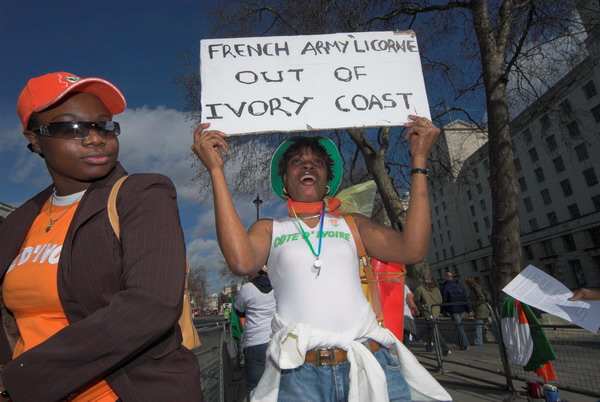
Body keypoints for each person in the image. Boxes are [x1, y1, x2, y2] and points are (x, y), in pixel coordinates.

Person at [192, 115, 451, 401]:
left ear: (327, 180)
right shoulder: (270, 228)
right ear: (285, 183)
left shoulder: (353, 224)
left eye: (317, 163)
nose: (307, 165)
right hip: (300, 376)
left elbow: (412, 250)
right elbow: (241, 262)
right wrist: (216, 170)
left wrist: (419, 160)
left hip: (368, 364)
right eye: (297, 162)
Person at [0, 72, 202, 401]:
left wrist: (16, 381)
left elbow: (148, 306)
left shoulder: (143, 193)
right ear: (34, 139)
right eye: (70, 127)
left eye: (104, 125)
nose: (95, 138)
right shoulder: (18, 221)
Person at [234, 269, 276, 397]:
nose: (248, 275)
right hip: (273, 339)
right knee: (273, 386)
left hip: (255, 342)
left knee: (253, 387)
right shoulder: (276, 287)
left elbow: (238, 310)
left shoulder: (247, 288)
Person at [413, 278, 451, 356]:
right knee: (431, 329)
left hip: (427, 311)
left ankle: (445, 348)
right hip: (436, 311)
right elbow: (440, 300)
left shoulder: (420, 289)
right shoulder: (436, 289)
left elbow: (415, 298)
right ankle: (429, 346)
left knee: (434, 330)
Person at [441, 272, 472, 351]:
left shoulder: (445, 287)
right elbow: (465, 298)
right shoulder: (459, 286)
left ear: (446, 277)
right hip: (462, 308)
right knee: (459, 326)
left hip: (453, 308)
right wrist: (469, 309)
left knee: (459, 326)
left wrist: (442, 309)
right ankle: (461, 342)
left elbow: (444, 300)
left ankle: (464, 344)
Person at [465, 277, 493, 346]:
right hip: (483, 308)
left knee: (479, 326)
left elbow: (482, 298)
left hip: (480, 309)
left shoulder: (476, 288)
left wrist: (475, 304)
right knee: (488, 324)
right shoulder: (477, 287)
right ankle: (499, 338)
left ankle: (478, 341)